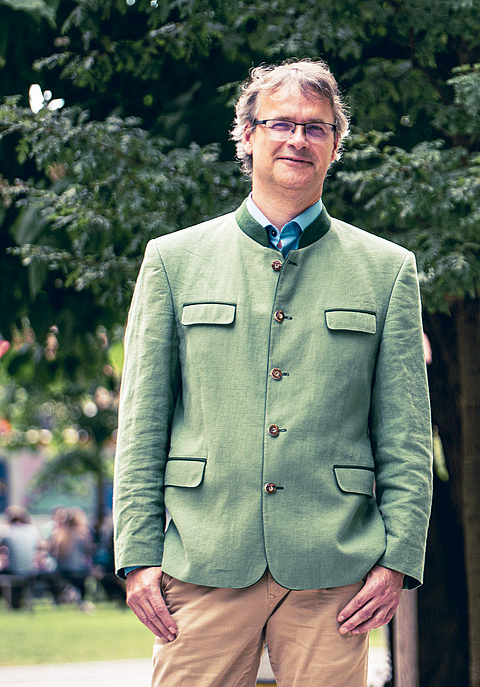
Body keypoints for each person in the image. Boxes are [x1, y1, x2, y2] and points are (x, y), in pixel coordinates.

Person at [113, 58, 433, 687]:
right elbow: (142, 421)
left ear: (335, 146)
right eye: (281, 123)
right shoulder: (173, 261)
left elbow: (405, 436)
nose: (298, 139)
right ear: (248, 137)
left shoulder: (387, 270)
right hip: (202, 557)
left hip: (333, 569)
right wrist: (137, 556)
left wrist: (398, 559)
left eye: (316, 128)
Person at [49, 506, 94, 608]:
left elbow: (55, 554)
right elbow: (89, 551)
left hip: (63, 570)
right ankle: (80, 600)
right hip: (80, 571)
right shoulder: (83, 533)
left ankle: (63, 597)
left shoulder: (59, 534)